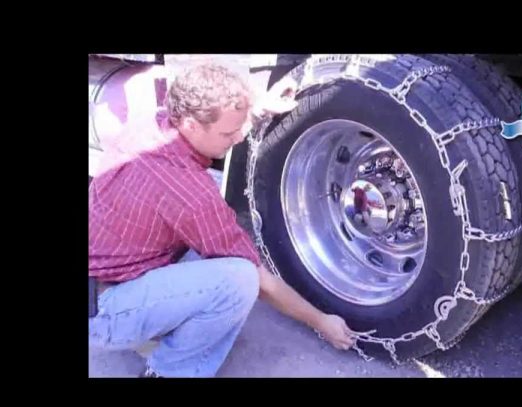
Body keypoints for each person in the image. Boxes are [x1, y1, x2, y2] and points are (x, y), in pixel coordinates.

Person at [89, 63, 356, 378]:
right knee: (238, 280)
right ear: (190, 124)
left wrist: (252, 110)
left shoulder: (151, 123)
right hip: (104, 310)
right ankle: (171, 371)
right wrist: (322, 322)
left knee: (201, 257)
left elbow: (212, 119)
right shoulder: (190, 194)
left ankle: (159, 319)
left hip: (101, 273)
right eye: (228, 133)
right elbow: (262, 282)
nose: (237, 138)